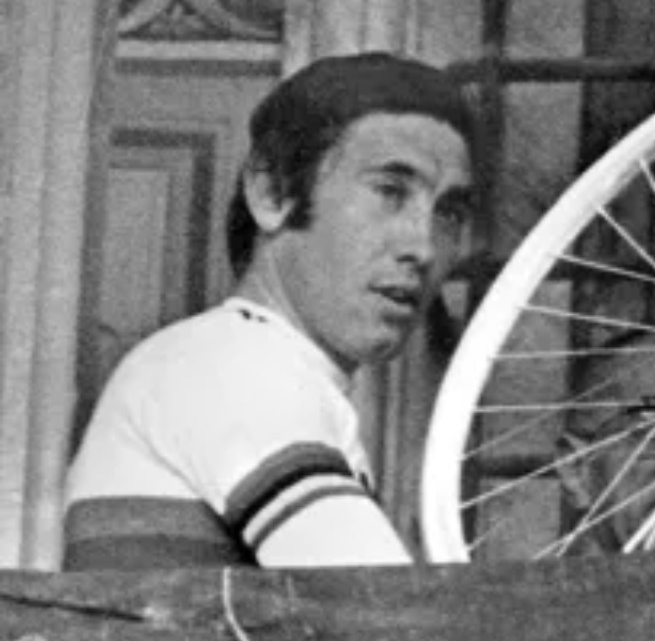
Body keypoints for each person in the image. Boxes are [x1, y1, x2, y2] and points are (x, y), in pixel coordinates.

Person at [62, 53, 475, 570]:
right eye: (390, 192)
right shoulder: (230, 361)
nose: (424, 247)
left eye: (448, 212)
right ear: (272, 192)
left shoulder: (263, 369)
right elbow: (383, 608)